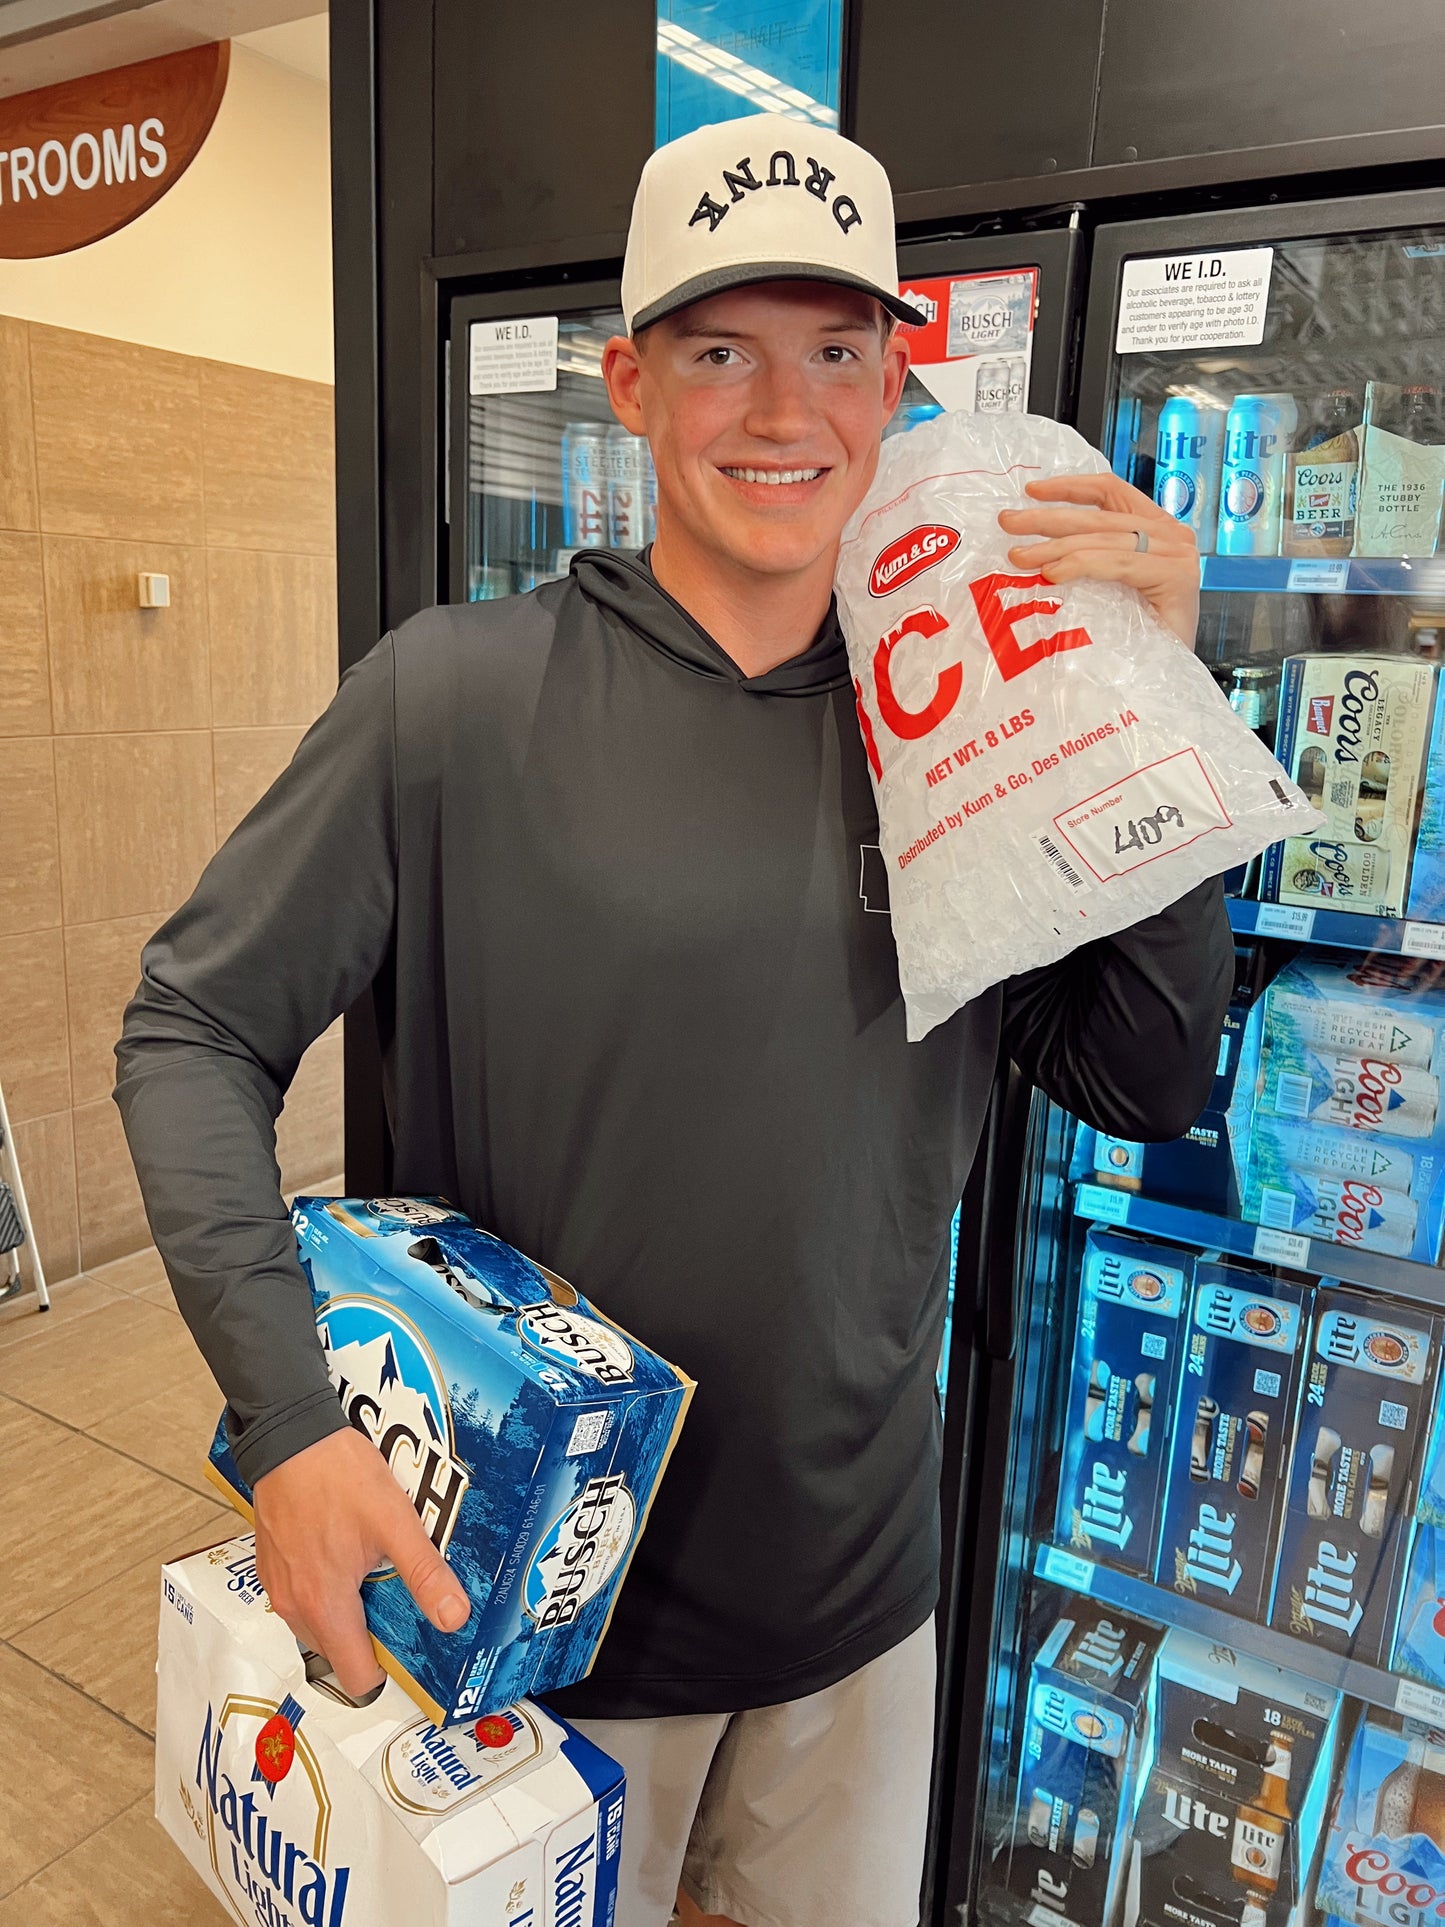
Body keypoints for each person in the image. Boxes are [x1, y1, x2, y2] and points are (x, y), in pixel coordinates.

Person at [115, 115, 1230, 1927]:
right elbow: (188, 1030)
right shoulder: (453, 701)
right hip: (517, 1628)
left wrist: (1151, 705)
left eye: (834, 351)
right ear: (630, 385)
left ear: (897, 383)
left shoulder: (966, 728)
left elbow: (1144, 1080)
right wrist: (294, 1425)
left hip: (856, 1606)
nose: (781, 414)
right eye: (720, 351)